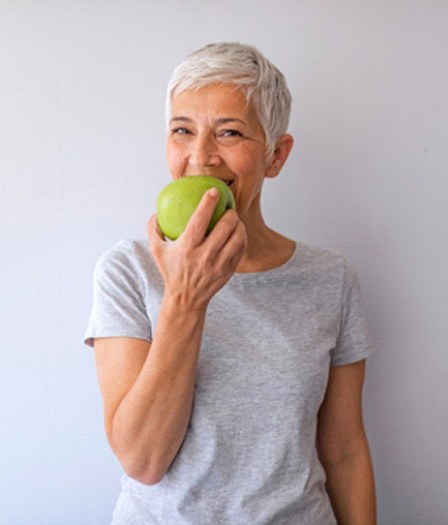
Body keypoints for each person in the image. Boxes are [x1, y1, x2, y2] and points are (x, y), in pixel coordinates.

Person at [85, 42, 376, 525]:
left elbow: (345, 451)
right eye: (183, 130)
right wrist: (185, 299)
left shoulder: (331, 279)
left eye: (230, 132)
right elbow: (143, 461)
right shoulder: (127, 270)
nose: (201, 157)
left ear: (276, 155)